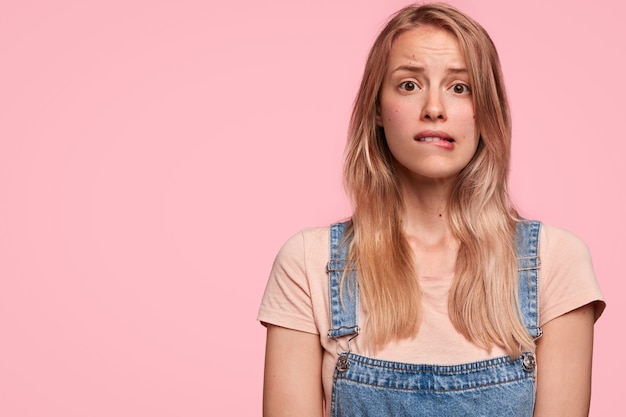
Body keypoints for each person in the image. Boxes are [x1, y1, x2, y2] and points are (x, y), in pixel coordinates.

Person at [258, 3, 605, 416]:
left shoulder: (555, 262)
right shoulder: (309, 264)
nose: (435, 108)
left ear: (488, 112)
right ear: (377, 111)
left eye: (460, 87)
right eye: (409, 85)